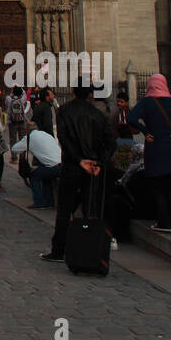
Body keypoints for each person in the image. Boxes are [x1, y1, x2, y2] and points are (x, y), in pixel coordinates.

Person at [41, 84, 116, 262]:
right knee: (90, 209)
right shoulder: (98, 114)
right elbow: (111, 142)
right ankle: (88, 250)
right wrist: (99, 162)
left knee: (65, 210)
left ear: (73, 92)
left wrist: (79, 160)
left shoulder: (64, 111)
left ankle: (59, 250)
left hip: (73, 166)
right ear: (90, 94)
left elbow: (64, 139)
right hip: (93, 169)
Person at [127, 73, 171, 234]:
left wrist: (145, 131)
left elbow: (131, 118)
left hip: (155, 148)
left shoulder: (147, 103)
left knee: (157, 188)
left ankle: (164, 222)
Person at [11, 125, 61, 208]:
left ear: (26, 131)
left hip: (52, 167)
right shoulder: (46, 134)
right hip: (61, 165)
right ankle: (49, 202)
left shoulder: (29, 138)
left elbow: (14, 149)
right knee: (45, 176)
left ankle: (39, 202)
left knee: (34, 176)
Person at [4, 86, 29, 162]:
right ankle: (22, 157)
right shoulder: (22, 100)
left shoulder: (8, 99)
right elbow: (24, 93)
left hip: (12, 122)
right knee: (22, 139)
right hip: (21, 121)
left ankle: (14, 158)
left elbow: (6, 106)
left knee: (13, 140)